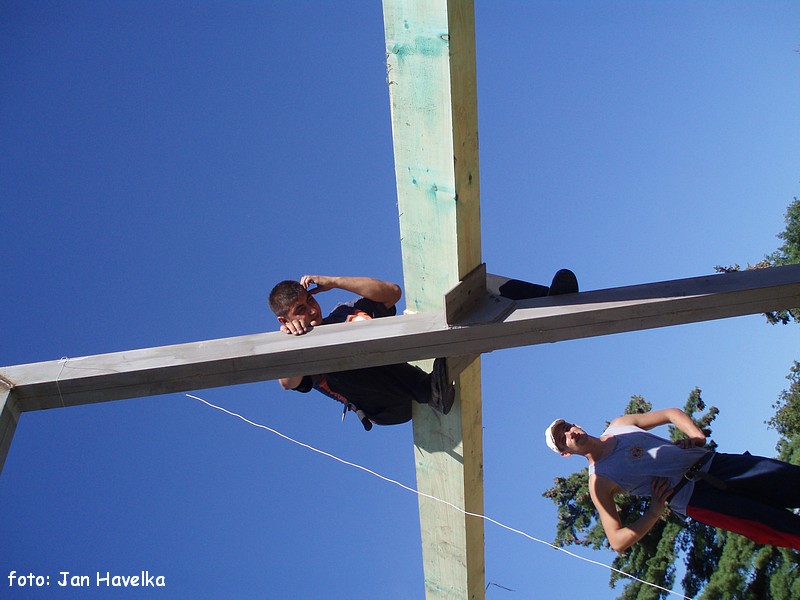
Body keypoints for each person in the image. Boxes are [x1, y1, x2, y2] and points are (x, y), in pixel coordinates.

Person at [269, 270, 578, 430]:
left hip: (404, 366)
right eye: (300, 309)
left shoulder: (339, 312)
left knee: (464, 285)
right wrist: (288, 346)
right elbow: (288, 383)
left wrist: (335, 282)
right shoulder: (297, 344)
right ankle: (428, 390)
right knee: (336, 357)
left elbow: (391, 294)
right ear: (285, 319)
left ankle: (546, 300)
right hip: (388, 406)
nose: (311, 310)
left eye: (310, 301)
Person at [544, 408, 800, 552]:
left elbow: (671, 413)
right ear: (566, 453)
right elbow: (617, 540)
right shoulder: (599, 482)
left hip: (716, 463)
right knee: (779, 526)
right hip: (697, 499)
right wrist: (654, 511)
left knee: (790, 479)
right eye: (562, 438)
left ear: (575, 423)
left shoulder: (620, 425)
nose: (569, 433)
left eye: (567, 427)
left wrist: (697, 436)